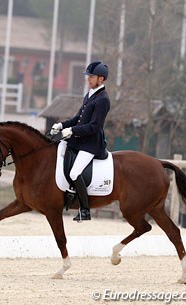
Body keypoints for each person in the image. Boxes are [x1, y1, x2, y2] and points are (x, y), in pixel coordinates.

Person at [51, 61, 110, 221]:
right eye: (88, 76)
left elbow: (94, 126)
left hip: (91, 144)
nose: (88, 79)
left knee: (75, 172)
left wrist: (72, 131)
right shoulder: (90, 95)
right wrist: (62, 124)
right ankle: (68, 191)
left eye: (92, 77)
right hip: (80, 140)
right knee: (60, 150)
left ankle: (85, 210)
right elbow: (78, 118)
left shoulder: (103, 99)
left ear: (101, 79)